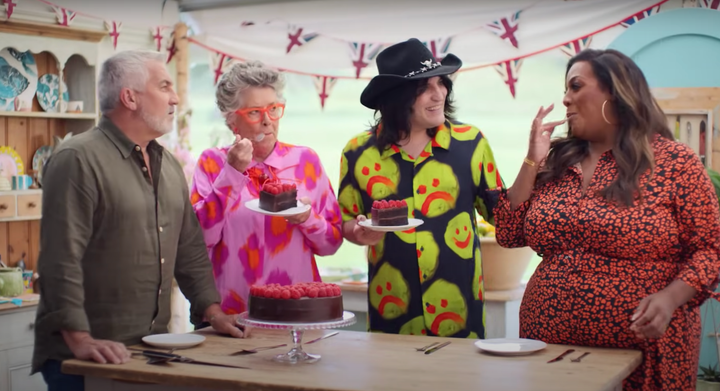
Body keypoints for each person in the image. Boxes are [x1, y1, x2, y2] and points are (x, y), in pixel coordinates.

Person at [494, 48, 720, 390]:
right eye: (565, 89)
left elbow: (710, 250)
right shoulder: (556, 161)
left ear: (615, 92)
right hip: (548, 347)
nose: (566, 99)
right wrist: (531, 160)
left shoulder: (674, 162)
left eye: (576, 86)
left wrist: (670, 298)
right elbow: (508, 232)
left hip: (643, 352)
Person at [32, 50, 242, 391]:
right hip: (85, 358)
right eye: (164, 86)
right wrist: (80, 338)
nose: (175, 98)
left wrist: (212, 312)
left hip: (150, 351)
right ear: (129, 97)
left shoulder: (169, 165)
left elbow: (188, 248)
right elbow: (60, 259)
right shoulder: (77, 159)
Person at [338, 38, 503, 338]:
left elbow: (503, 215)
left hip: (459, 310)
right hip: (391, 312)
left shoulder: (471, 143)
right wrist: (359, 233)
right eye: (424, 88)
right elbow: (345, 220)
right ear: (396, 98)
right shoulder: (357, 152)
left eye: (441, 83)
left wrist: (533, 161)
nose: (438, 93)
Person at [190, 61, 343, 319]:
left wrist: (307, 218)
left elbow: (331, 244)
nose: (267, 122)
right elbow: (200, 240)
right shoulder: (212, 163)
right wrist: (232, 173)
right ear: (231, 120)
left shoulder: (306, 161)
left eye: (273, 109)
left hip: (296, 311)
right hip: (231, 314)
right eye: (254, 113)